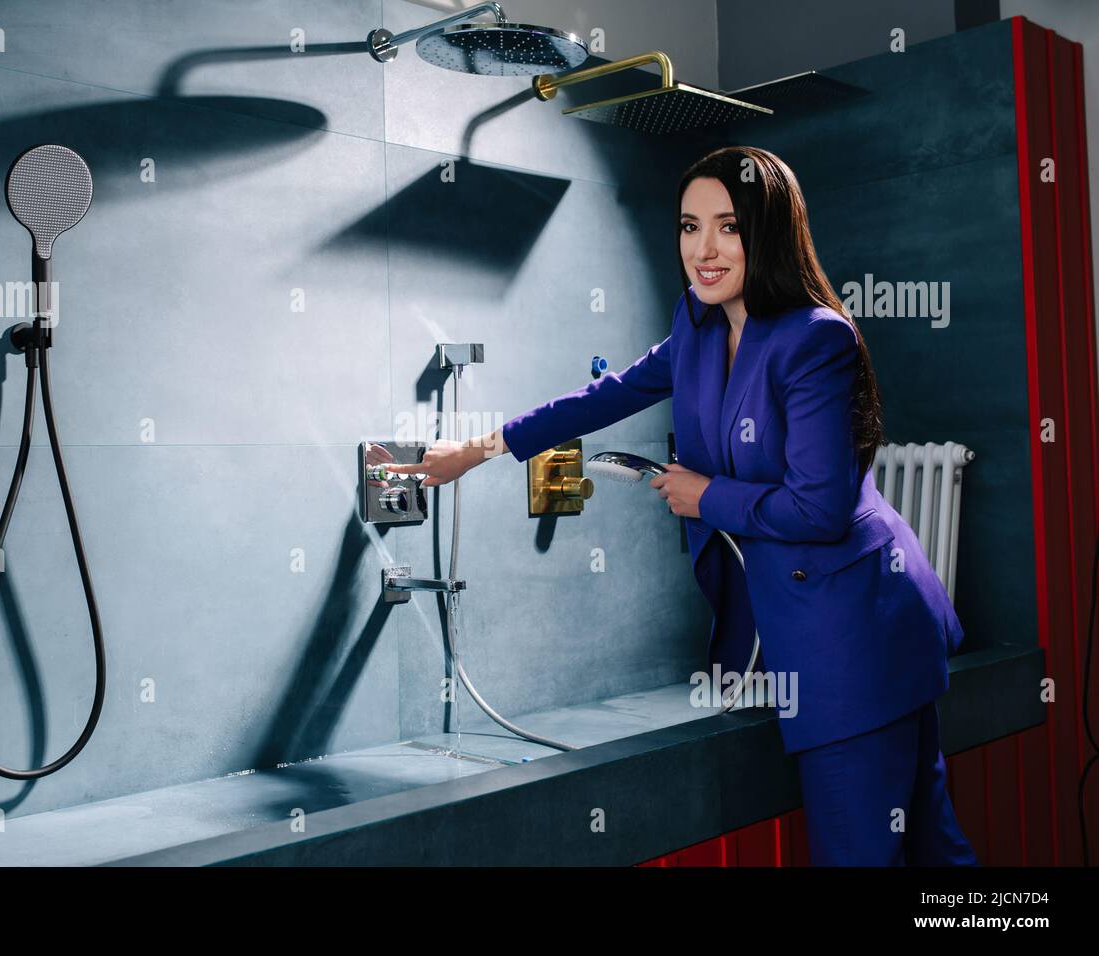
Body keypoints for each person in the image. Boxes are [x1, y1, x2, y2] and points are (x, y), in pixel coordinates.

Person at [384, 145, 978, 867]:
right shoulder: (698, 326)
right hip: (833, 631)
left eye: (728, 226)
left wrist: (705, 497)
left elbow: (819, 512)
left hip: (856, 635)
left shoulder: (816, 338)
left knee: (891, 854)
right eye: (689, 226)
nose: (704, 248)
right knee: (934, 854)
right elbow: (607, 395)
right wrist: (475, 451)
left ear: (769, 230)